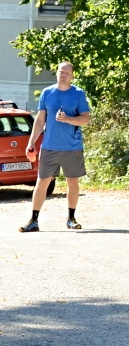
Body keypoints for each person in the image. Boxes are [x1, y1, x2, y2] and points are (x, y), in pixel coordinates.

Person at [19, 61, 91, 233]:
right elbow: (40, 120)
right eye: (61, 72)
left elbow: (85, 119)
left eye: (67, 73)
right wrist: (31, 143)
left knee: (72, 181)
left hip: (72, 147)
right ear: (56, 73)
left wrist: (68, 119)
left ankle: (71, 219)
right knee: (42, 181)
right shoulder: (47, 93)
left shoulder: (78, 94)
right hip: (49, 146)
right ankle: (33, 220)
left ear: (72, 75)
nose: (64, 75)